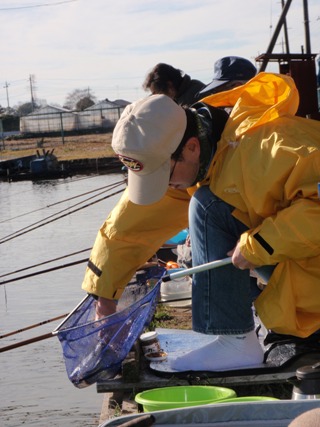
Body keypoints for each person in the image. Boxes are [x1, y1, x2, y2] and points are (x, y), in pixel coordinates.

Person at [82, 71, 320, 372]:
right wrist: (103, 296)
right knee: (207, 205)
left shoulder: (271, 147)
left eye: (163, 176)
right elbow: (128, 226)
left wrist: (258, 244)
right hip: (306, 266)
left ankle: (235, 343)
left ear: (191, 148)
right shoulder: (197, 162)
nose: (166, 187)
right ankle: (239, 338)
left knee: (206, 207)